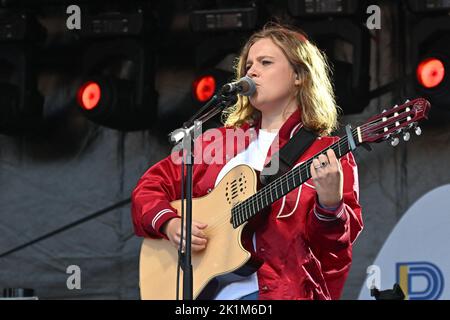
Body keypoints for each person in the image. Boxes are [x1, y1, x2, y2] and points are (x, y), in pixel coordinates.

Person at [131, 23, 363, 300]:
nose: (251, 71)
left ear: (299, 75)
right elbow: (150, 186)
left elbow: (334, 252)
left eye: (265, 63)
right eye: (248, 64)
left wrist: (330, 205)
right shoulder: (215, 143)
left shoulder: (325, 152)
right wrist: (169, 224)